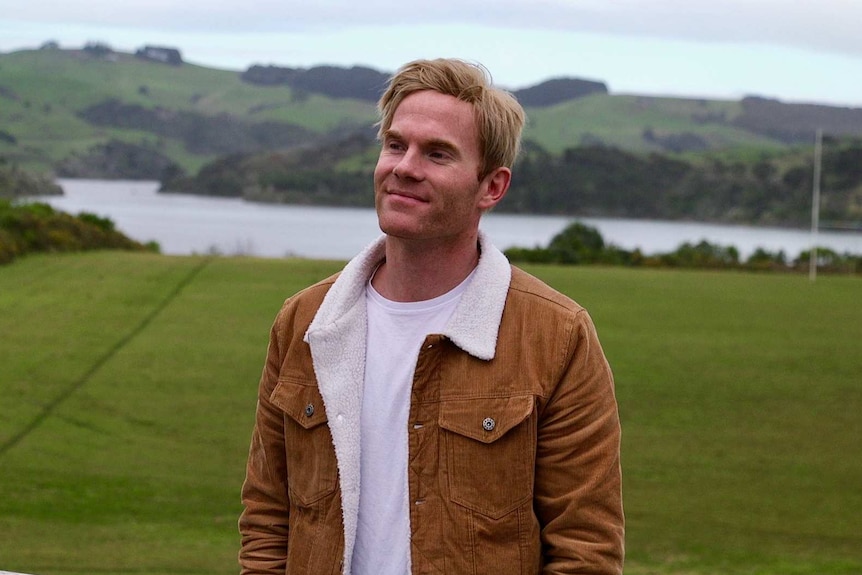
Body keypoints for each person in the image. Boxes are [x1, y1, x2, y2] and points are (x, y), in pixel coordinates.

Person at [239, 58, 624, 575]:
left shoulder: (557, 335)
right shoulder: (306, 323)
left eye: (437, 153)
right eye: (396, 145)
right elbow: (268, 517)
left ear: (491, 186)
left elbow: (586, 549)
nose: (404, 166)